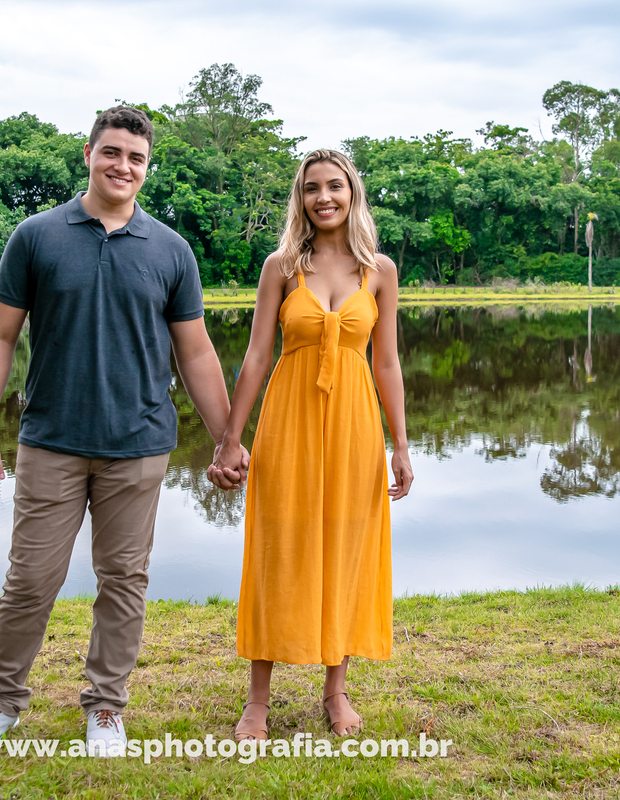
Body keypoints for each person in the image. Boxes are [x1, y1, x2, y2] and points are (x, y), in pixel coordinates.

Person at [0, 106, 248, 758]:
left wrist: (227, 439)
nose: (123, 166)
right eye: (111, 152)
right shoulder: (36, 236)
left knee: (124, 581)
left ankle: (106, 708)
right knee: (31, 579)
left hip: (139, 446)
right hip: (51, 440)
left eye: (136, 158)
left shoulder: (171, 249)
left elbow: (196, 353)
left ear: (148, 167)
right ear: (87, 153)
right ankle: (2, 701)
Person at [209, 149, 413, 740]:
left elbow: (388, 363)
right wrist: (230, 439)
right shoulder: (281, 266)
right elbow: (254, 357)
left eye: (335, 187)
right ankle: (257, 700)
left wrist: (399, 444)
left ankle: (336, 690)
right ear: (300, 198)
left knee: (346, 543)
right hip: (289, 420)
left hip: (353, 425)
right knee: (280, 545)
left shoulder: (380, 270)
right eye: (312, 189)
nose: (324, 198)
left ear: (353, 194)